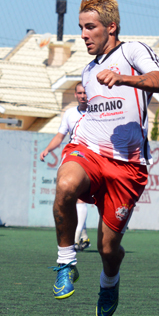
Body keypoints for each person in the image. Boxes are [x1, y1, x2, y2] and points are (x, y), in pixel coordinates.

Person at [50, 0, 159, 316]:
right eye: (81, 28)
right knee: (65, 186)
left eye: (90, 27)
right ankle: (65, 263)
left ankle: (109, 281)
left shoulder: (132, 51)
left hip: (128, 165)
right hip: (88, 150)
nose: (83, 34)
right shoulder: (88, 72)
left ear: (111, 27)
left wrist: (124, 78)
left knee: (107, 248)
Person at [40, 83, 91, 251]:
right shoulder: (69, 113)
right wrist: (48, 149)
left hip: (92, 156)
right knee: (70, 195)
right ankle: (81, 233)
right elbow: (60, 136)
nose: (83, 95)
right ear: (75, 95)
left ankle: (76, 236)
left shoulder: (98, 113)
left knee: (81, 197)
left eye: (85, 92)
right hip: (74, 155)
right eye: (80, 93)